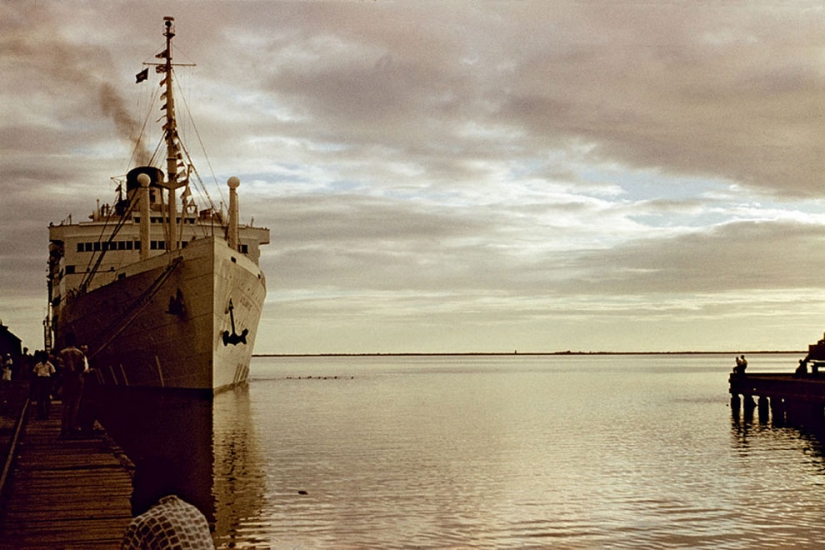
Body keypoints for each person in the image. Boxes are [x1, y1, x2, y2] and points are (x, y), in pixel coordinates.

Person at [121, 456, 215, 549]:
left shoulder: (141, 525)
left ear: (145, 489)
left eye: (136, 488)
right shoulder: (196, 514)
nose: (131, 497)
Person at [59, 334, 88, 437]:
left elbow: (60, 367)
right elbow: (82, 367)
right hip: (77, 379)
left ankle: (64, 429)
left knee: (65, 405)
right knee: (75, 405)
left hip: (67, 379)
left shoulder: (62, 353)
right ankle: (73, 427)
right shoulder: (80, 353)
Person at [32, 351, 56, 419]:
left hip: (47, 381)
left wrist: (52, 384)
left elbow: (53, 373)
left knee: (47, 399)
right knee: (40, 399)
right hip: (40, 381)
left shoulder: (49, 365)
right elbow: (34, 373)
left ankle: (47, 414)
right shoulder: (38, 365)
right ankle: (40, 414)